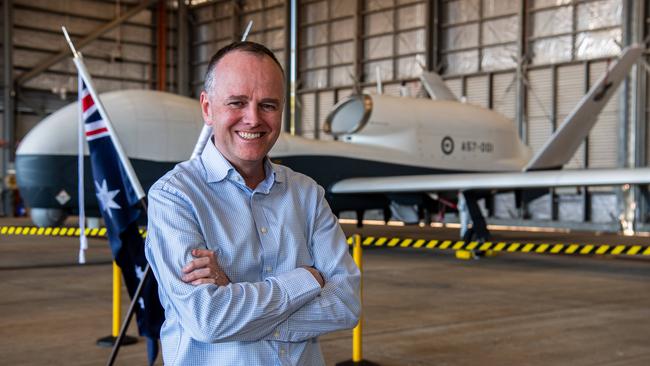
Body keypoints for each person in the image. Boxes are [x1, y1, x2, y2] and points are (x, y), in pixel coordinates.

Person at [145, 41, 361, 365]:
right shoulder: (175, 197)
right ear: (207, 108)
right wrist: (306, 280)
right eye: (237, 102)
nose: (253, 118)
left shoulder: (308, 195)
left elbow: (346, 305)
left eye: (268, 105)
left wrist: (236, 299)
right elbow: (209, 319)